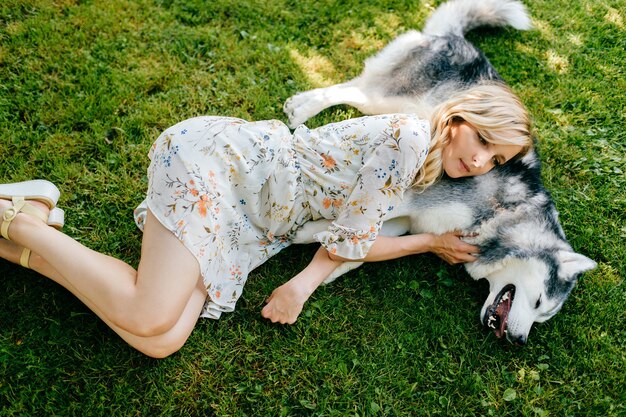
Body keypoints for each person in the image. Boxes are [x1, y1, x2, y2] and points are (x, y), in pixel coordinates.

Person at [0, 82, 532, 358]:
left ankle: (22, 244)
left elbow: (355, 234)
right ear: (460, 119)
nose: (482, 162)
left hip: (251, 220)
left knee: (162, 339)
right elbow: (349, 239)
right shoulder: (411, 140)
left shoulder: (424, 165)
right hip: (223, 167)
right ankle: (22, 219)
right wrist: (299, 288)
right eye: (483, 140)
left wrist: (431, 242)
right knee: (148, 315)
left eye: (496, 159)